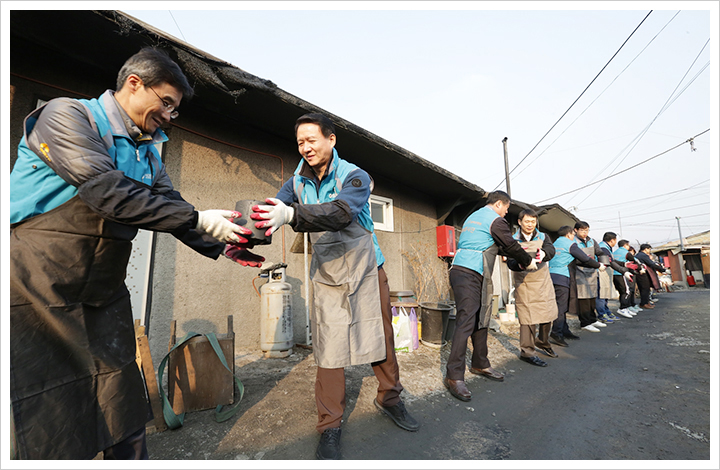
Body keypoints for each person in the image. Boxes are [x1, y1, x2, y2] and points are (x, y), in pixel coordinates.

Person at [9, 47, 260, 460]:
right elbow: (107, 192)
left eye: (174, 111)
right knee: (46, 414)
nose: (168, 116)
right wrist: (199, 219)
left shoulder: (146, 151)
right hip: (35, 285)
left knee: (120, 405)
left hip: (103, 293)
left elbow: (172, 207)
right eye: (166, 104)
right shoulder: (69, 116)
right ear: (133, 83)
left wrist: (228, 241)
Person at [251, 113, 418, 460]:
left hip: (367, 267)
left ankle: (390, 398)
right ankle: (330, 425)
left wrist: (293, 215)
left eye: (312, 140)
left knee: (381, 336)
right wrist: (245, 233)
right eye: (300, 142)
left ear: (331, 140)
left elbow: (342, 213)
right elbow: (273, 211)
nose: (306, 147)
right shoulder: (297, 181)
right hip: (327, 271)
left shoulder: (355, 176)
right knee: (328, 346)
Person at [443, 191, 536, 401]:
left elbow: (499, 247)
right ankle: (454, 376)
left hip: (468, 271)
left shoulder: (474, 217)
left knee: (481, 316)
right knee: (466, 320)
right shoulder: (495, 220)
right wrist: (527, 260)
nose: (505, 213)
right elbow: (510, 245)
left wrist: (517, 257)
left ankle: (480, 363)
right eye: (506, 208)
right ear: (500, 204)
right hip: (470, 271)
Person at [506, 209, 557, 367]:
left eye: (533, 221)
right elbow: (510, 261)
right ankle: (527, 352)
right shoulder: (512, 239)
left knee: (547, 313)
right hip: (524, 281)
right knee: (527, 317)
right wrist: (522, 264)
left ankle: (542, 341)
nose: (530, 225)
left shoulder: (543, 236)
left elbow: (551, 250)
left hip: (542, 280)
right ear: (520, 222)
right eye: (527, 221)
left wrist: (544, 254)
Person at [548, 225, 601, 347]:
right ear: (569, 234)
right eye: (572, 235)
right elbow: (585, 259)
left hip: (551, 276)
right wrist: (599, 266)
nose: (573, 237)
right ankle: (556, 333)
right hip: (562, 277)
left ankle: (564, 330)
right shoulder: (570, 244)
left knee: (561, 305)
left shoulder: (554, 243)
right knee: (561, 307)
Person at [572, 222, 611, 333]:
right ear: (576, 230)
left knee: (592, 296)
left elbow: (598, 251)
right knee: (583, 297)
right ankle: (585, 322)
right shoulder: (573, 241)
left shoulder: (591, 241)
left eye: (587, 230)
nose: (585, 233)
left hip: (592, 271)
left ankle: (592, 319)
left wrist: (604, 258)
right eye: (582, 230)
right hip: (579, 271)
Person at [597, 232, 632, 323]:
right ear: (612, 240)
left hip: (607, 273)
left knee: (605, 294)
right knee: (602, 294)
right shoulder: (603, 248)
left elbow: (612, 260)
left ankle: (606, 311)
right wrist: (623, 271)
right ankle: (602, 314)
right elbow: (610, 262)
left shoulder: (607, 248)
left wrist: (624, 264)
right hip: (602, 272)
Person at [612, 239, 637, 318]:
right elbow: (634, 260)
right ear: (625, 245)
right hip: (622, 273)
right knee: (627, 292)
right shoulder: (626, 253)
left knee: (622, 292)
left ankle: (625, 308)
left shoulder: (614, 252)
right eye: (628, 245)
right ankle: (623, 308)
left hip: (614, 273)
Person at [636, 244, 666, 309]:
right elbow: (651, 264)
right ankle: (644, 303)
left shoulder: (638, 255)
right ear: (646, 249)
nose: (649, 250)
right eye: (649, 249)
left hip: (641, 274)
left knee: (644, 289)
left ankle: (646, 302)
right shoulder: (643, 255)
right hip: (643, 274)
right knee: (645, 289)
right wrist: (661, 269)